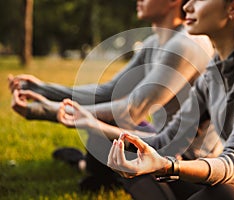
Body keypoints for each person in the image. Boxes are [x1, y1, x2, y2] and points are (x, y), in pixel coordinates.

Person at [61, 0, 234, 199]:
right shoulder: (215, 71)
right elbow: (167, 140)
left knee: (218, 195)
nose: (187, 6)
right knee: (139, 160)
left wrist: (169, 167)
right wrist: (94, 124)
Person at [9, 0, 221, 194]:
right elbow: (107, 91)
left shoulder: (186, 44)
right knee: (106, 121)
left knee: (111, 128)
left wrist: (44, 110)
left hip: (191, 162)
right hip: (162, 139)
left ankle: (96, 170)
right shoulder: (154, 43)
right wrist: (41, 89)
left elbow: (130, 110)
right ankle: (93, 169)